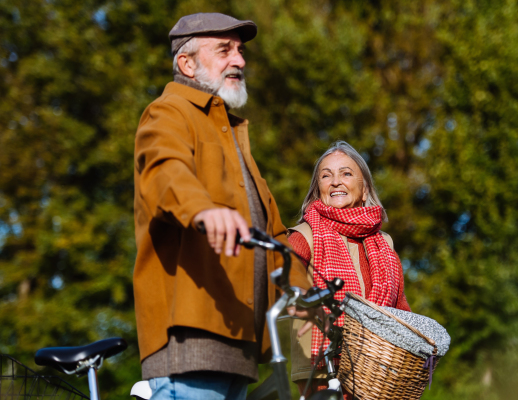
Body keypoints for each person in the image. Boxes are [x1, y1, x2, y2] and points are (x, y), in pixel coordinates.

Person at [133, 12, 308, 400]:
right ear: (187, 64)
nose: (240, 61)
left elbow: (273, 233)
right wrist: (202, 209)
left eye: (241, 51)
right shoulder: (169, 113)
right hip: (191, 337)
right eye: (224, 50)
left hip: (240, 342)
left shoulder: (231, 134)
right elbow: (165, 171)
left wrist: (307, 291)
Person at [287, 141, 411, 398]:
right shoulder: (304, 236)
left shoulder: (385, 244)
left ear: (364, 189)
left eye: (346, 173)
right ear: (317, 189)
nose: (335, 182)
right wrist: (301, 301)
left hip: (378, 370)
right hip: (321, 367)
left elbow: (400, 309)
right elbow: (285, 280)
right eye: (326, 175)